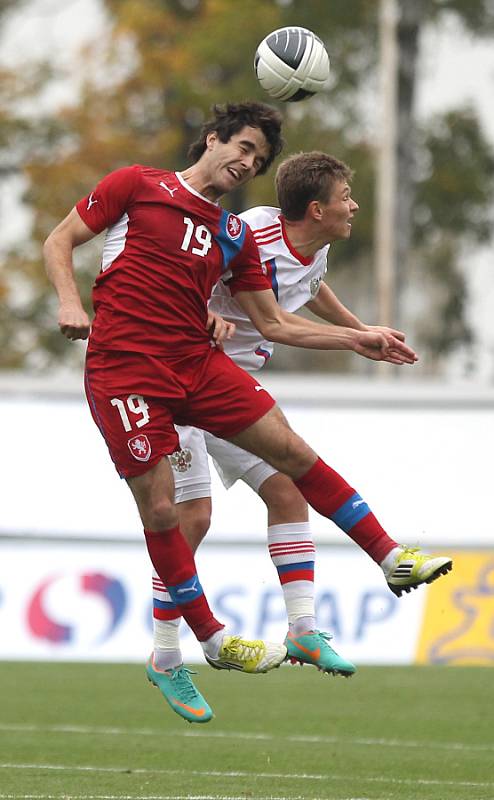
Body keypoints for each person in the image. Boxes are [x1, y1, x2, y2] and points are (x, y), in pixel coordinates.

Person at [44, 101, 419, 726]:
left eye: (258, 159)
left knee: (291, 461)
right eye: (242, 148)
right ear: (212, 141)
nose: (247, 163)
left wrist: (357, 336)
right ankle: (203, 644)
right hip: (125, 371)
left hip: (195, 367)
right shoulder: (137, 185)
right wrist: (69, 301)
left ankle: (387, 557)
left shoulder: (234, 233)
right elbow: (61, 240)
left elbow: (271, 319)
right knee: (171, 513)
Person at [151, 151, 454, 714]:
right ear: (316, 209)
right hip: (185, 382)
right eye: (346, 198)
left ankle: (304, 629)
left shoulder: (317, 243)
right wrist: (203, 315)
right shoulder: (248, 234)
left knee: (289, 485)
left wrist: (362, 329)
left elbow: (309, 287)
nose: (354, 205)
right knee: (192, 519)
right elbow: (245, 308)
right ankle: (166, 655)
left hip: (231, 389)